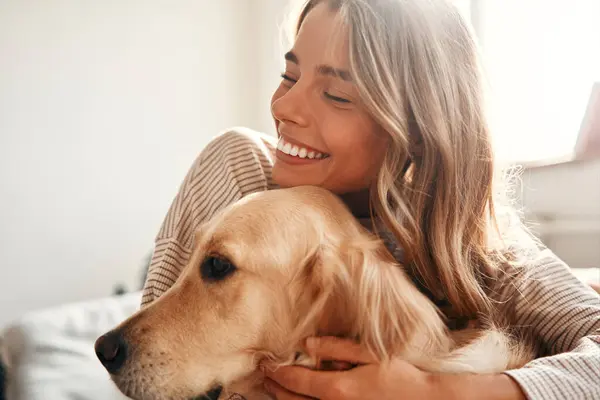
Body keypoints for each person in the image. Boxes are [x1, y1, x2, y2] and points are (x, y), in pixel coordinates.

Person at [141, 0, 600, 399]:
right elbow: (150, 358)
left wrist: (432, 394)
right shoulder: (241, 167)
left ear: (419, 133)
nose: (282, 107)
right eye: (289, 75)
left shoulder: (482, 247)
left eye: (337, 95)